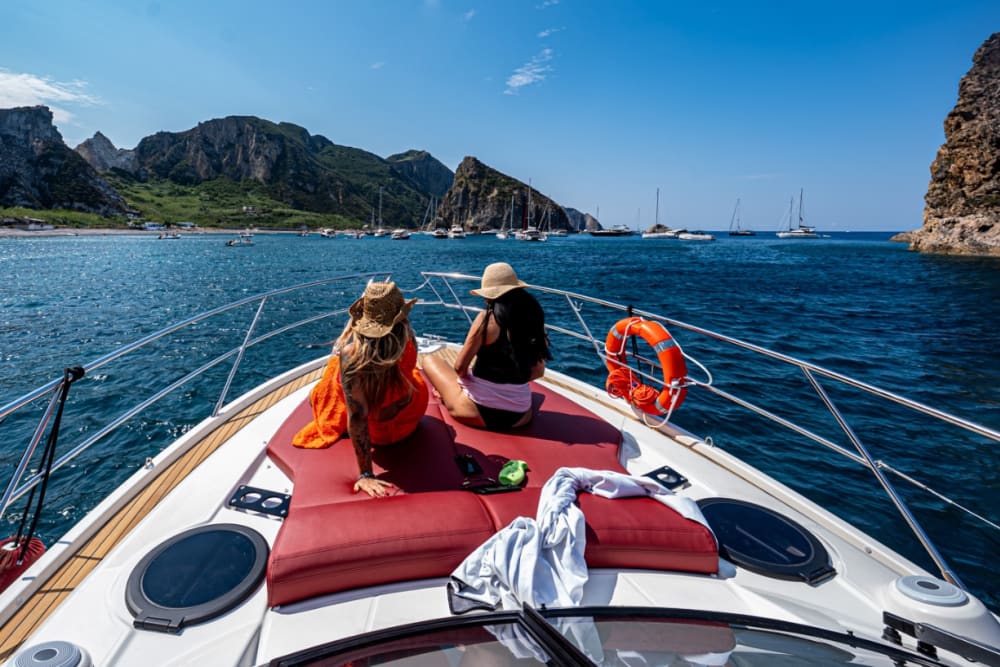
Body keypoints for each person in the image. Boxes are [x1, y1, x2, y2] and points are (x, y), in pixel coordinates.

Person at [292, 281, 428, 497]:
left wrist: (366, 473)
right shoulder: (407, 339)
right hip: (407, 422)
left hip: (377, 434)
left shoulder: (351, 355)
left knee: (326, 381)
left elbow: (357, 417)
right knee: (414, 376)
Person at [423, 262, 551, 430]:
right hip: (520, 417)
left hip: (475, 412)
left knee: (429, 359)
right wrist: (509, 384)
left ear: (489, 294)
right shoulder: (534, 320)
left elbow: (460, 367)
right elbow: (538, 372)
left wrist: (471, 384)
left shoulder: (486, 319)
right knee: (536, 394)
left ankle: (446, 395)